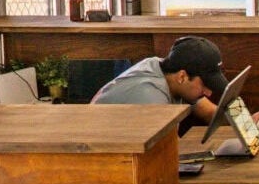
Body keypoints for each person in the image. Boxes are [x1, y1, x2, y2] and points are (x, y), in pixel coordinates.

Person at [91, 35, 229, 134]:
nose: (209, 92)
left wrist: (246, 123)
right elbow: (163, 155)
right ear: (182, 76)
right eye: (205, 84)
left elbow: (209, 112)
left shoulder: (165, 69)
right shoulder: (152, 99)